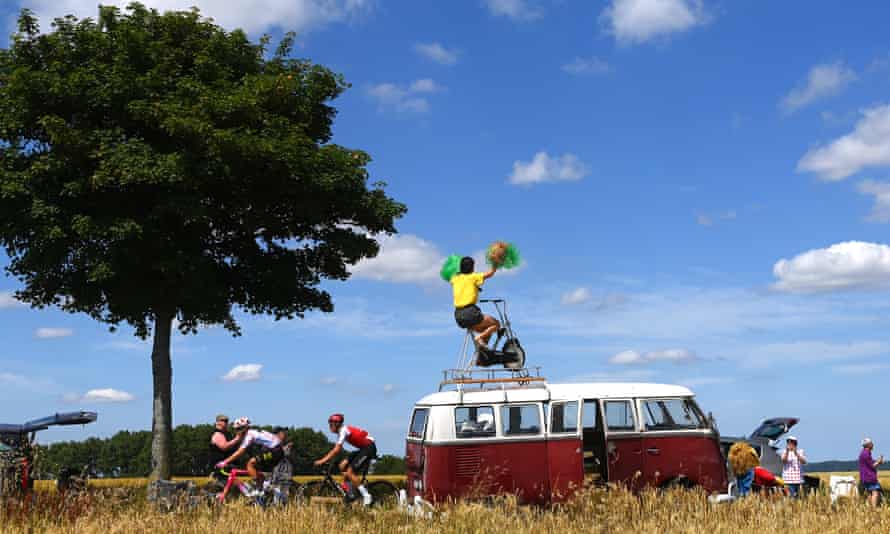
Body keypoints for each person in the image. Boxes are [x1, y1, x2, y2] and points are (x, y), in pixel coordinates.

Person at [314, 413, 377, 505]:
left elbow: (336, 450)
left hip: (368, 448)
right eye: (329, 423)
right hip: (363, 448)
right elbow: (337, 451)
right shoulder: (341, 432)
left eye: (331, 424)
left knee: (350, 472)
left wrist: (322, 461)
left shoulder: (343, 431)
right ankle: (351, 492)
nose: (330, 426)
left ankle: (366, 496)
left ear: (338, 424)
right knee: (342, 465)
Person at [216, 417, 283, 494]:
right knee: (256, 469)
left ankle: (259, 490)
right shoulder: (252, 432)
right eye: (235, 429)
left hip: (274, 451)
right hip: (276, 450)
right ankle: (264, 488)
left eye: (238, 429)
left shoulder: (249, 435)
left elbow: (240, 451)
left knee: (250, 464)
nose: (236, 432)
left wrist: (224, 462)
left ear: (244, 428)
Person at [450, 256, 499, 351]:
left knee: (486, 330)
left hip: (458, 316)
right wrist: (495, 263)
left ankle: (483, 352)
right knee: (496, 324)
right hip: (471, 313)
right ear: (472, 267)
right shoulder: (473, 277)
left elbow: (459, 283)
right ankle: (479, 338)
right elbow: (490, 273)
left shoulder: (455, 278)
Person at [859, 437, 884, 507]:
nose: (873, 445)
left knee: (870, 493)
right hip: (869, 477)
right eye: (871, 443)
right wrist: (879, 462)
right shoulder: (866, 454)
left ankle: (869, 509)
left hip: (864, 477)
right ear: (868, 445)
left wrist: (878, 461)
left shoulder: (863, 453)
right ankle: (874, 509)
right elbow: (872, 465)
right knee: (875, 492)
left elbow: (870, 463)